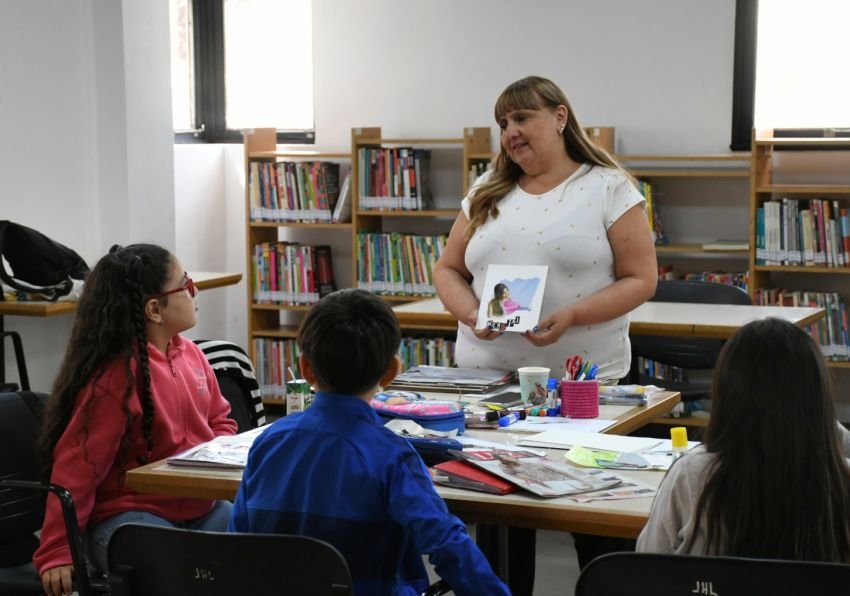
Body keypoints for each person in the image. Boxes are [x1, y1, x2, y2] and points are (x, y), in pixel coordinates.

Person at [433, 75, 658, 593]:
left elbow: (641, 277)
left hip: (581, 388)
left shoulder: (607, 187)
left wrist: (573, 316)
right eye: (503, 123)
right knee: (500, 520)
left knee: (591, 521)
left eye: (522, 118)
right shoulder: (487, 191)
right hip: (489, 385)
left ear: (560, 118)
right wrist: (470, 314)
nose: (511, 132)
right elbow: (447, 269)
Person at [228, 289, 510, 596]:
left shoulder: (268, 443)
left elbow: (239, 543)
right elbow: (446, 542)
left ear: (306, 368)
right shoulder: (391, 456)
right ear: (391, 372)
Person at [34, 244, 237, 596]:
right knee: (180, 566)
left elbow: (222, 422)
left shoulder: (191, 354)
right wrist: (57, 550)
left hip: (198, 509)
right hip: (128, 516)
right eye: (185, 283)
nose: (195, 290)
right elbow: (77, 467)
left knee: (261, 537)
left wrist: (216, 457)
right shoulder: (117, 377)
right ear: (155, 309)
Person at [637, 317, 850, 560]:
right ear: (817, 396)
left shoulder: (692, 475)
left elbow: (647, 560)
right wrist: (833, 433)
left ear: (727, 395)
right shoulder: (841, 480)